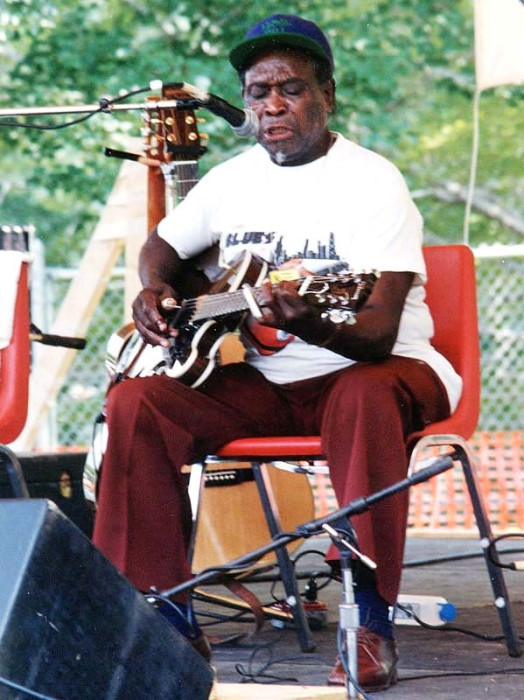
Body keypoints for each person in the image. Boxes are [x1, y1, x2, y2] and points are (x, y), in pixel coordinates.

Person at [92, 14, 462, 692]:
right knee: (137, 402)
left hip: (380, 369)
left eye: (291, 89)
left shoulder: (373, 181)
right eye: (258, 92)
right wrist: (153, 289)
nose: (271, 106)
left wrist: (313, 322)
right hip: (268, 382)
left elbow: (377, 334)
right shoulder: (231, 181)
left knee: (364, 392)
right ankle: (163, 620)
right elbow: (163, 246)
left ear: (328, 96)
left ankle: (369, 621)